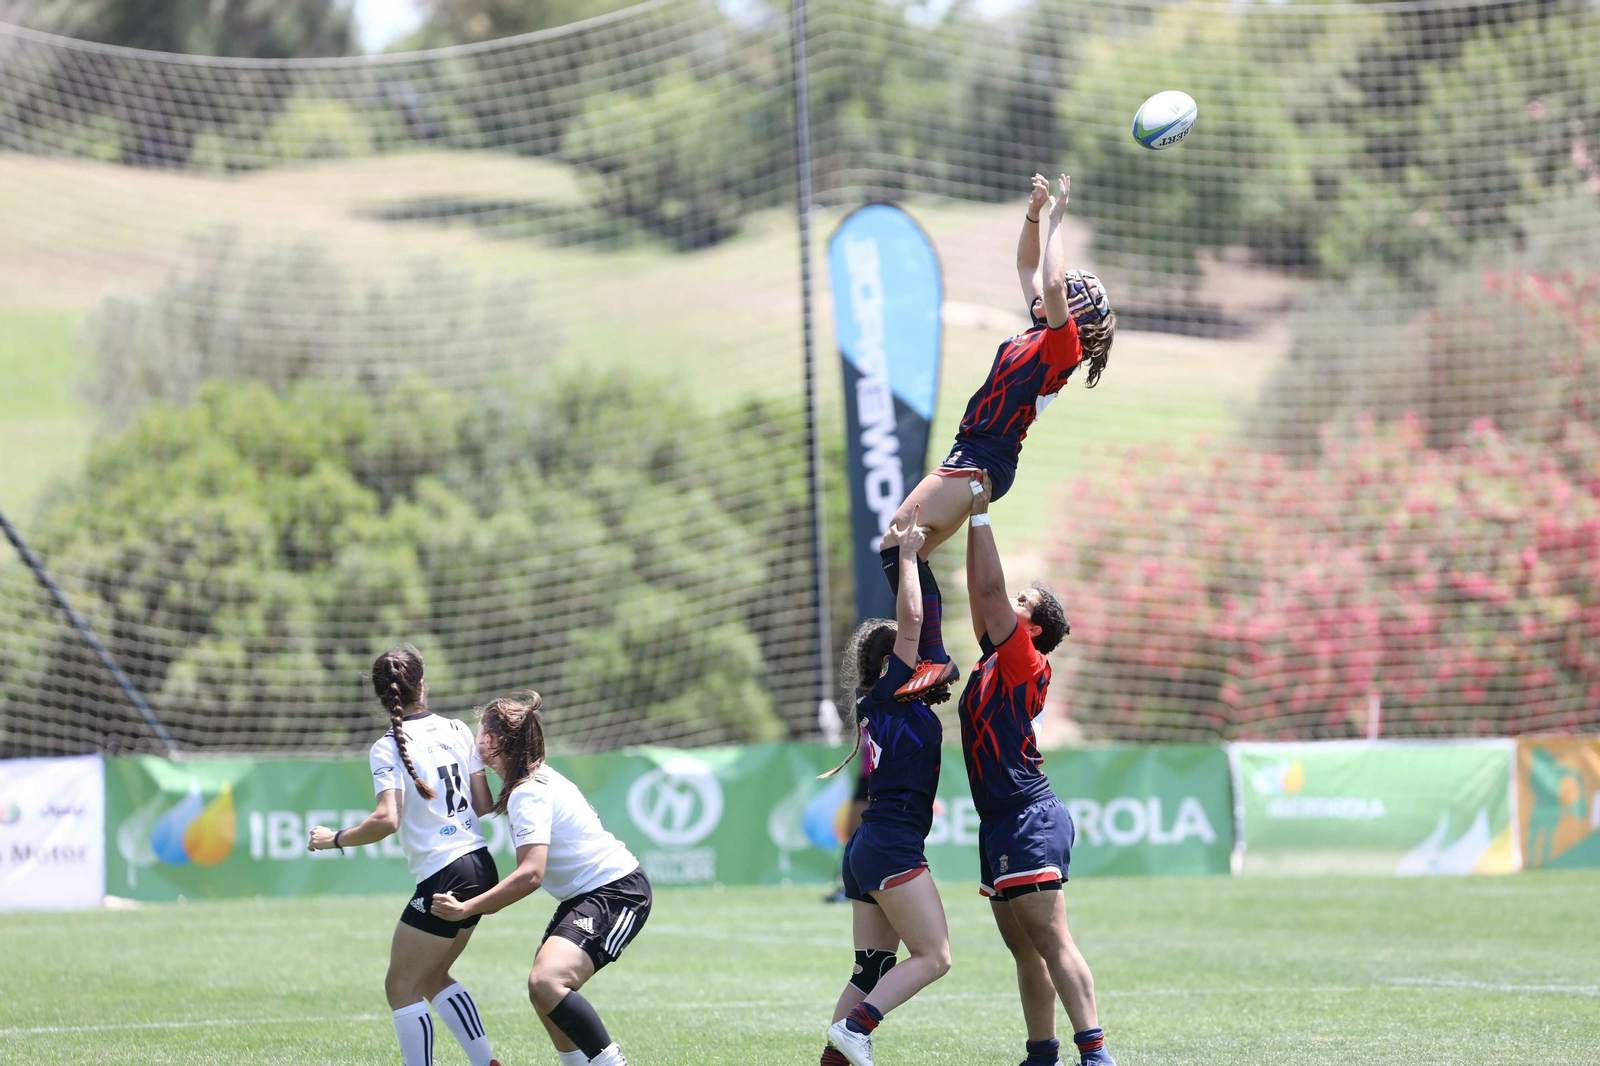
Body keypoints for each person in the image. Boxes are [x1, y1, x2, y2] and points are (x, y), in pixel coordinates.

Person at [882, 173, 1115, 702]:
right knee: (903, 550)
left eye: (1066, 294)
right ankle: (931, 658)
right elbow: (1028, 267)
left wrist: (1058, 220)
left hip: (984, 458)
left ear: (1073, 314)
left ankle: (932, 658)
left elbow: (1051, 283)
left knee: (900, 536)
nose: (1052, 290)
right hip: (973, 451)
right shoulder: (1039, 330)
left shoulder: (1063, 348)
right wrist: (1034, 215)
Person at [959, 473, 1115, 1066]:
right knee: (1025, 950)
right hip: (999, 820)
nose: (1010, 605)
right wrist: (969, 527)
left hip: (1029, 815)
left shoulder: (1026, 662)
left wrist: (979, 514)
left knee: (1052, 940)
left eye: (1024, 604)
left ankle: (1096, 1055)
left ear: (1036, 630)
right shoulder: (994, 658)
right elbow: (983, 593)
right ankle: (1041, 1054)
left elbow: (993, 595)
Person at [430, 693, 649, 1066]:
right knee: (542, 992)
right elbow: (482, 806)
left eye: (479, 733)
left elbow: (531, 874)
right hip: (587, 895)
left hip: (616, 893)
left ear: (494, 741)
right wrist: (476, 763)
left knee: (547, 983)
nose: (474, 738)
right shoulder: (526, 780)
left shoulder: (528, 792)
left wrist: (467, 908)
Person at [307, 647, 501, 1066]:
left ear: (380, 695)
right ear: (422, 685)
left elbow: (386, 820)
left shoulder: (387, 745)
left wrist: (334, 839)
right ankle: (486, 1062)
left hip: (446, 872)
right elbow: (482, 804)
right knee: (430, 977)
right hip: (480, 864)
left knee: (401, 986)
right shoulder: (456, 728)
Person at [820, 507, 953, 1066]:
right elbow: (916, 619)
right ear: (889, 662)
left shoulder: (895, 696)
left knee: (870, 969)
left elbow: (929, 619)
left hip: (872, 845)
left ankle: (838, 1053)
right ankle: (858, 1027)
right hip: (892, 842)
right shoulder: (892, 691)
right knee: (935, 956)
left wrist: (905, 556)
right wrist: (902, 558)